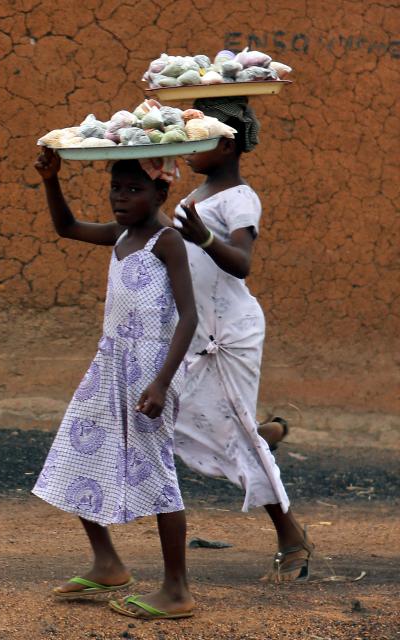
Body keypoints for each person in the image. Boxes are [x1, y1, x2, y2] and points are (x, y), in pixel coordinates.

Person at [31, 148, 198, 619]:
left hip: (150, 373)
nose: (120, 199)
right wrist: (51, 181)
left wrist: (163, 382)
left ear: (161, 192)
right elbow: (66, 228)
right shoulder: (121, 234)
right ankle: (107, 562)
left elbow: (189, 316)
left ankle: (177, 589)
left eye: (133, 189)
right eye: (115, 189)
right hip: (110, 364)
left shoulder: (165, 241)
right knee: (77, 451)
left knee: (157, 472)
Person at [171, 96, 313, 582]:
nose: (189, 147)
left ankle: (290, 534)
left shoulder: (239, 199)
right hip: (194, 328)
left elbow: (242, 261)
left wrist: (204, 239)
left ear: (227, 144)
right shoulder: (194, 196)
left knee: (231, 428)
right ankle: (263, 432)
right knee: (181, 415)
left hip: (226, 332)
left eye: (200, 139)